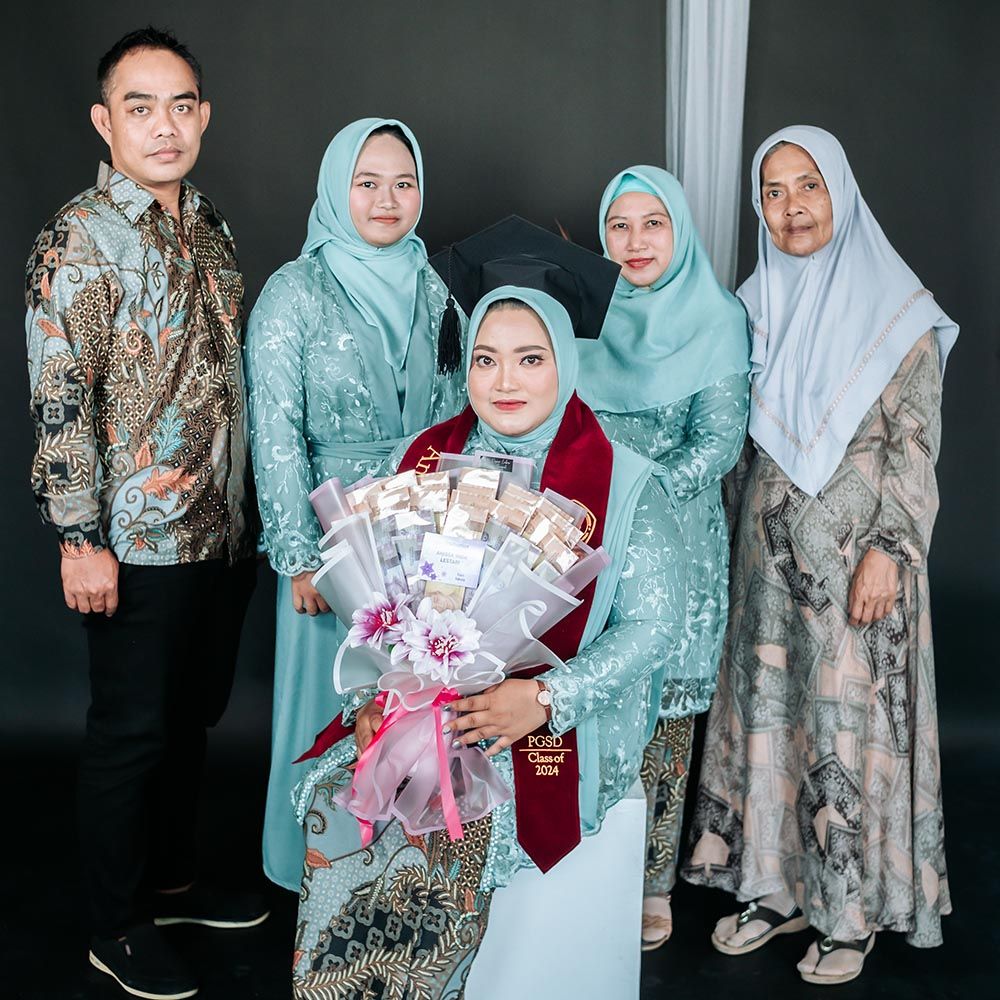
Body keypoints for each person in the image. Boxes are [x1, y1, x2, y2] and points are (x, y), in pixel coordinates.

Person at [287, 225, 692, 995]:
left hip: (551, 720)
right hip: (424, 708)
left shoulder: (628, 484)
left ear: (565, 363)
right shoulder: (421, 459)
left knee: (457, 819)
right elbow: (381, 600)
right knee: (337, 796)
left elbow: (655, 627)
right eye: (486, 357)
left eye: (530, 358)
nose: (505, 381)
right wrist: (388, 696)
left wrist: (542, 697)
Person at [683, 125, 957, 985]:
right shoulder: (751, 305)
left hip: (858, 577)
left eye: (808, 186)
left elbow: (915, 445)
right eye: (774, 192)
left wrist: (890, 550)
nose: (792, 206)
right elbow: (732, 440)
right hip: (765, 574)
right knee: (771, 723)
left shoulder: (897, 310)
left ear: (840, 190)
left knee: (849, 731)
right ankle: (772, 886)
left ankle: (852, 910)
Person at [24, 27, 265, 1000]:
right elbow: (58, 396)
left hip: (219, 529)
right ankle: (115, 924)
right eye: (139, 106)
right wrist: (80, 536)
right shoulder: (78, 236)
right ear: (104, 120)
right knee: (131, 731)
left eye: (180, 105)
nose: (162, 126)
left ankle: (171, 878)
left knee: (192, 719)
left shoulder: (211, 226)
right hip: (134, 540)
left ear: (201, 115)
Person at [245, 118, 465, 892]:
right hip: (329, 541)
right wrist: (299, 556)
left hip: (419, 533)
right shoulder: (293, 291)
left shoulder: (436, 285)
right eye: (367, 182)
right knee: (330, 700)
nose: (387, 199)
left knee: (407, 704)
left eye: (403, 182)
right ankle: (315, 874)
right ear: (338, 189)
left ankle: (390, 873)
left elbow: (455, 409)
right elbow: (272, 429)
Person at [577, 165, 750, 949]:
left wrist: (630, 487)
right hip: (584, 539)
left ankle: (651, 883)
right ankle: (586, 862)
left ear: (679, 231)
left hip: (674, 540)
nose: (635, 242)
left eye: (653, 224)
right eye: (620, 225)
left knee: (664, 721)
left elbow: (717, 443)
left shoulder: (716, 318)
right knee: (591, 699)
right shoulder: (585, 312)